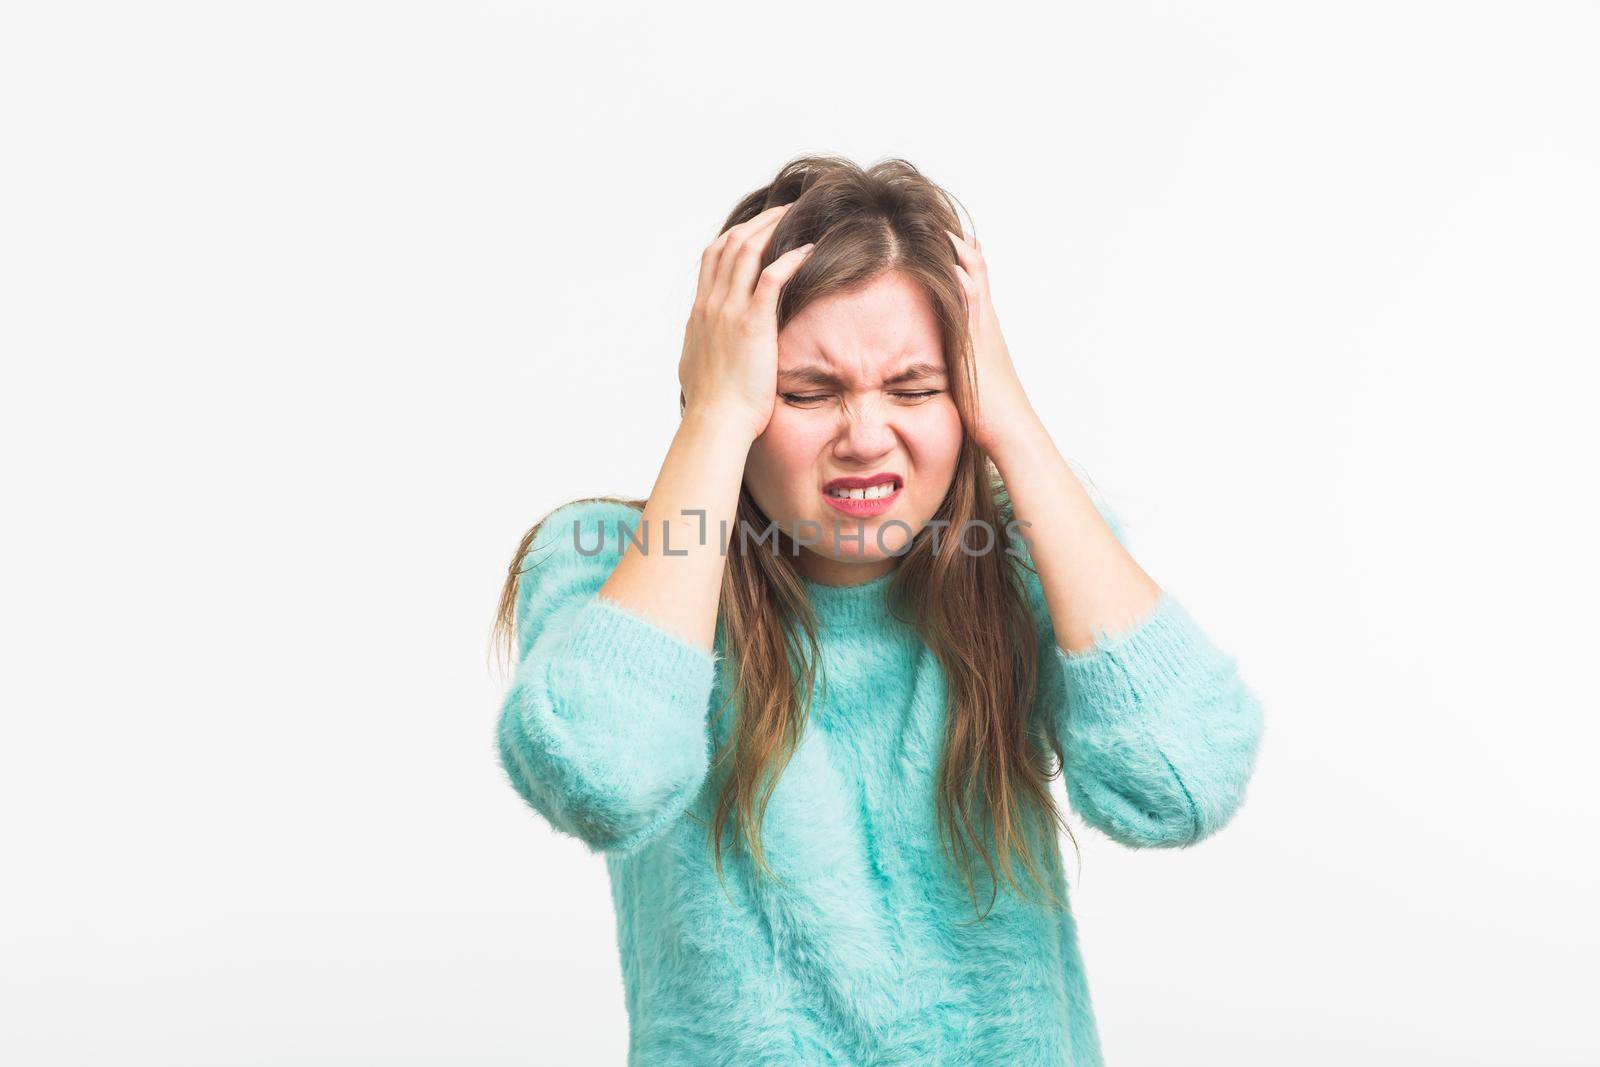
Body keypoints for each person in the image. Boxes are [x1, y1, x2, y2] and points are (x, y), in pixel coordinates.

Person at [491, 155, 1265, 1066]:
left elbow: (1185, 780)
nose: (865, 438)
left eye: (914, 388)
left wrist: (1011, 422)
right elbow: (603, 778)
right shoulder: (615, 565)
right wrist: (709, 421)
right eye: (807, 392)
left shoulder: (1023, 560)